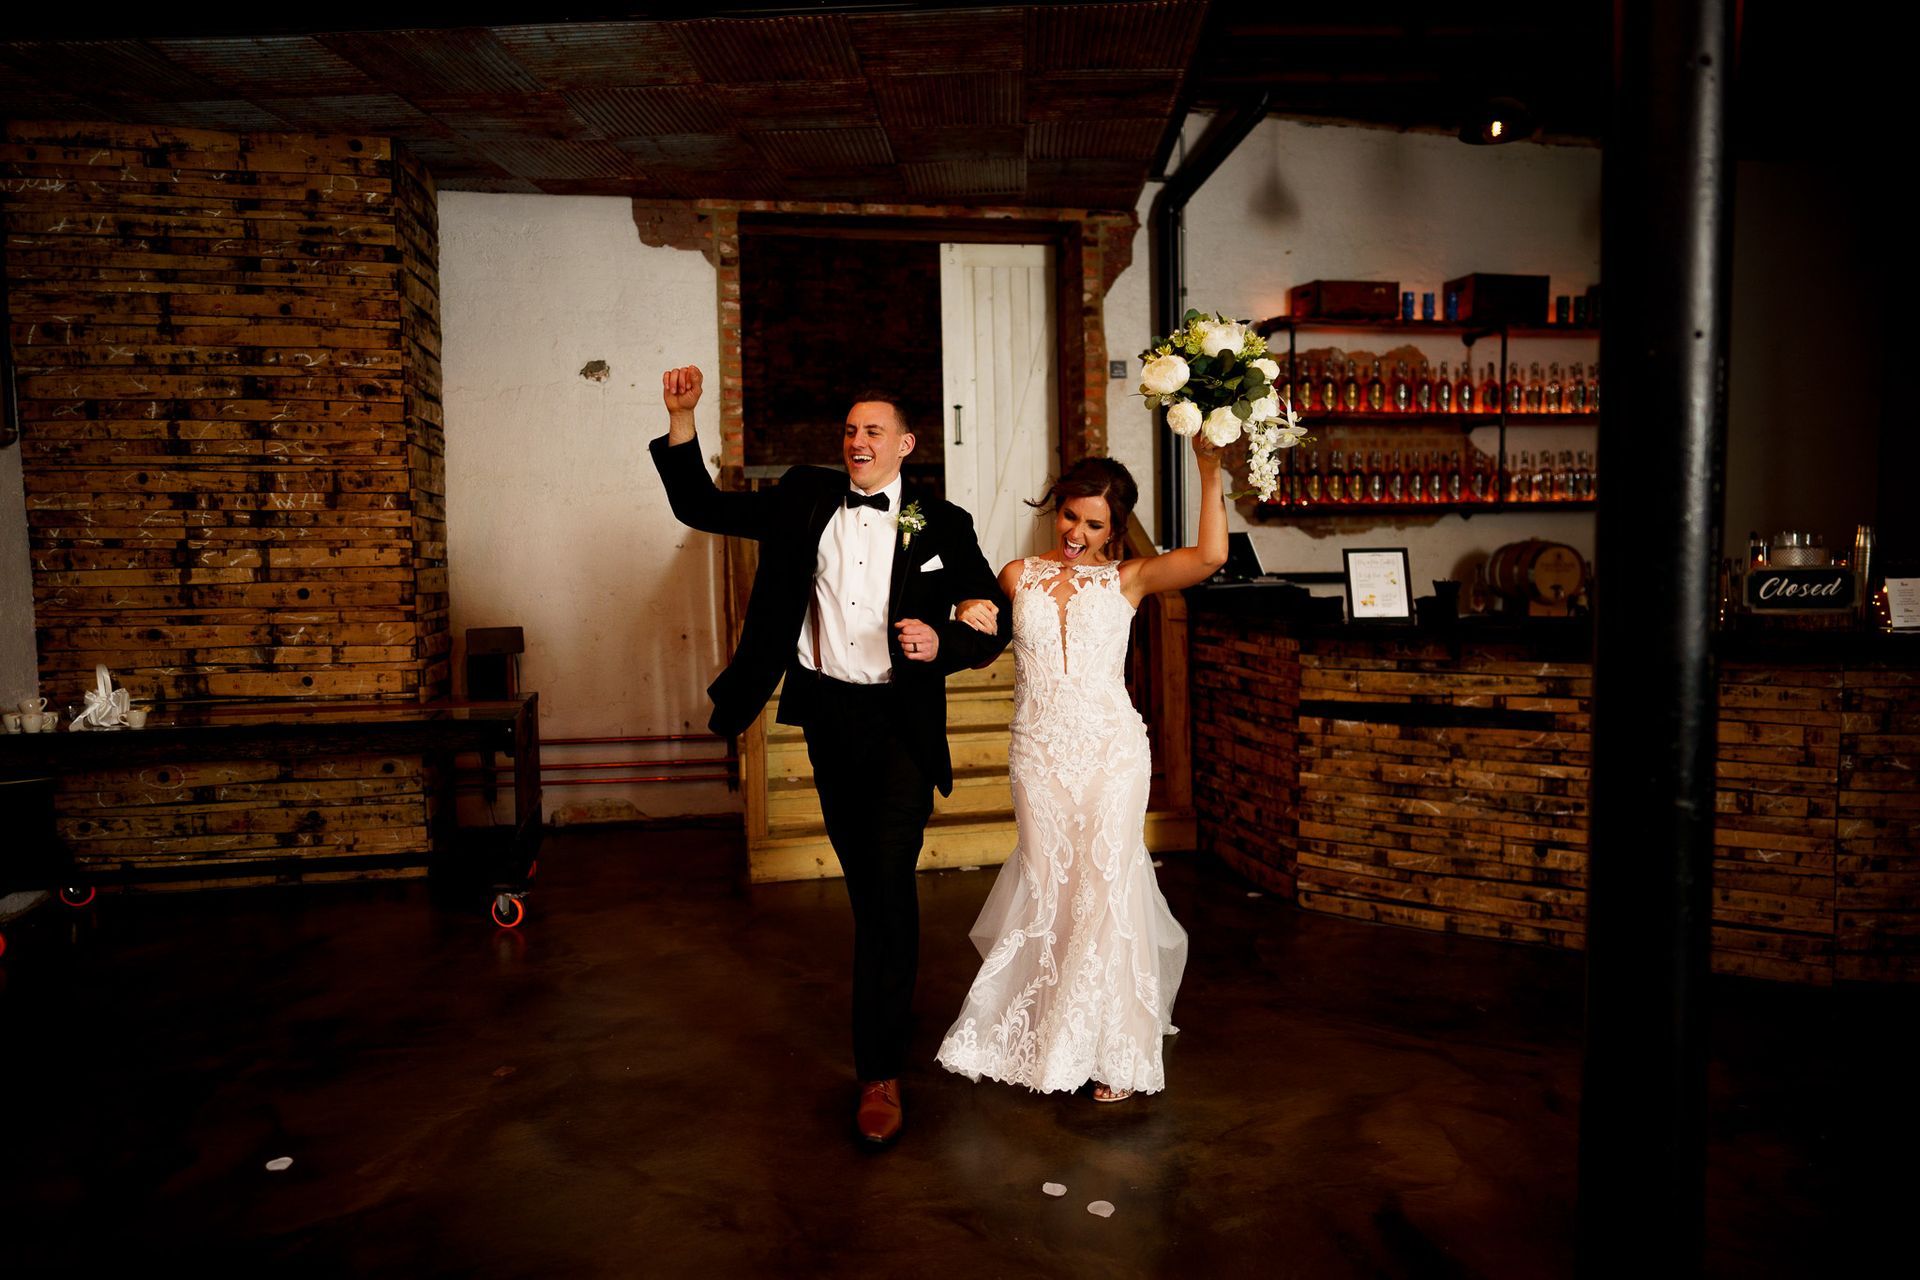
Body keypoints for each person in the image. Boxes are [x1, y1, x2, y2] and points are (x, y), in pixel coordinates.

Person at [649, 366, 1012, 1147]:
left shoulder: (943, 521)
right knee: (868, 885)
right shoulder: (805, 497)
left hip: (901, 724)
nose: (857, 441)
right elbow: (699, 504)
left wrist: (948, 635)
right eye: (850, 430)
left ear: (906, 445)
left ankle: (878, 1072)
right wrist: (683, 422)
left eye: (873, 430)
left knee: (884, 886)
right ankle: (886, 1006)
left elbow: (991, 618)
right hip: (827, 714)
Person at [935, 434, 1228, 1101]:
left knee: (1105, 889)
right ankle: (1049, 1029)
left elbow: (1211, 556)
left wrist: (1209, 470)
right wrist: (962, 609)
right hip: (1037, 751)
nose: (1077, 532)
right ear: (1056, 508)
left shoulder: (1129, 578)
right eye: (1070, 516)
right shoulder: (1017, 575)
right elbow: (968, 615)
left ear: (1114, 529)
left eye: (1094, 524)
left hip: (1111, 751)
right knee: (1048, 886)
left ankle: (1114, 1048)